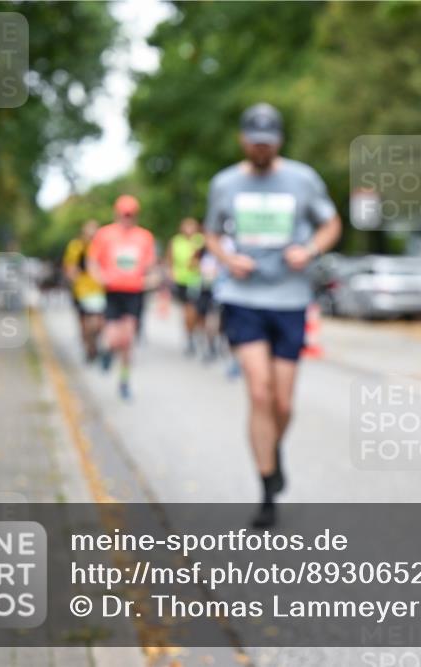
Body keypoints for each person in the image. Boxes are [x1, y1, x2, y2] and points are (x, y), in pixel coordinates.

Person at [203, 103, 341, 528]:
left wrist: (310, 250)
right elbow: (211, 233)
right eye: (254, 142)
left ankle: (272, 448)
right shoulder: (224, 183)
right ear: (243, 140)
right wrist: (228, 259)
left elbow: (331, 224)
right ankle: (267, 490)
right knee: (259, 392)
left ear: (278, 141)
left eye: (269, 143)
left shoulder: (302, 179)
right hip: (242, 297)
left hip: (291, 299)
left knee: (283, 401)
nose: (261, 149)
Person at [87, 195, 157, 400]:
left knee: (128, 339)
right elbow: (92, 262)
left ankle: (124, 381)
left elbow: (151, 266)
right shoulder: (104, 234)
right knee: (112, 336)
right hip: (113, 291)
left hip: (134, 293)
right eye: (124, 215)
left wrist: (150, 279)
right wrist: (99, 277)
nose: (127, 218)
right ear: (117, 213)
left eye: (131, 215)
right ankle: (107, 350)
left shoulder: (144, 237)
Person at [63, 220, 105, 362]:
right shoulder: (76, 247)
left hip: (100, 290)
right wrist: (76, 277)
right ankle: (88, 347)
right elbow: (70, 268)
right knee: (85, 323)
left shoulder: (102, 247)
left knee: (99, 323)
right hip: (82, 291)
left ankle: (94, 344)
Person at [166, 217, 206, 356]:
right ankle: (189, 335)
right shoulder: (176, 241)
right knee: (187, 309)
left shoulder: (200, 240)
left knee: (196, 309)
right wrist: (171, 275)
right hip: (181, 280)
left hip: (196, 280)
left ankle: (195, 333)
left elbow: (202, 258)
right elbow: (170, 260)